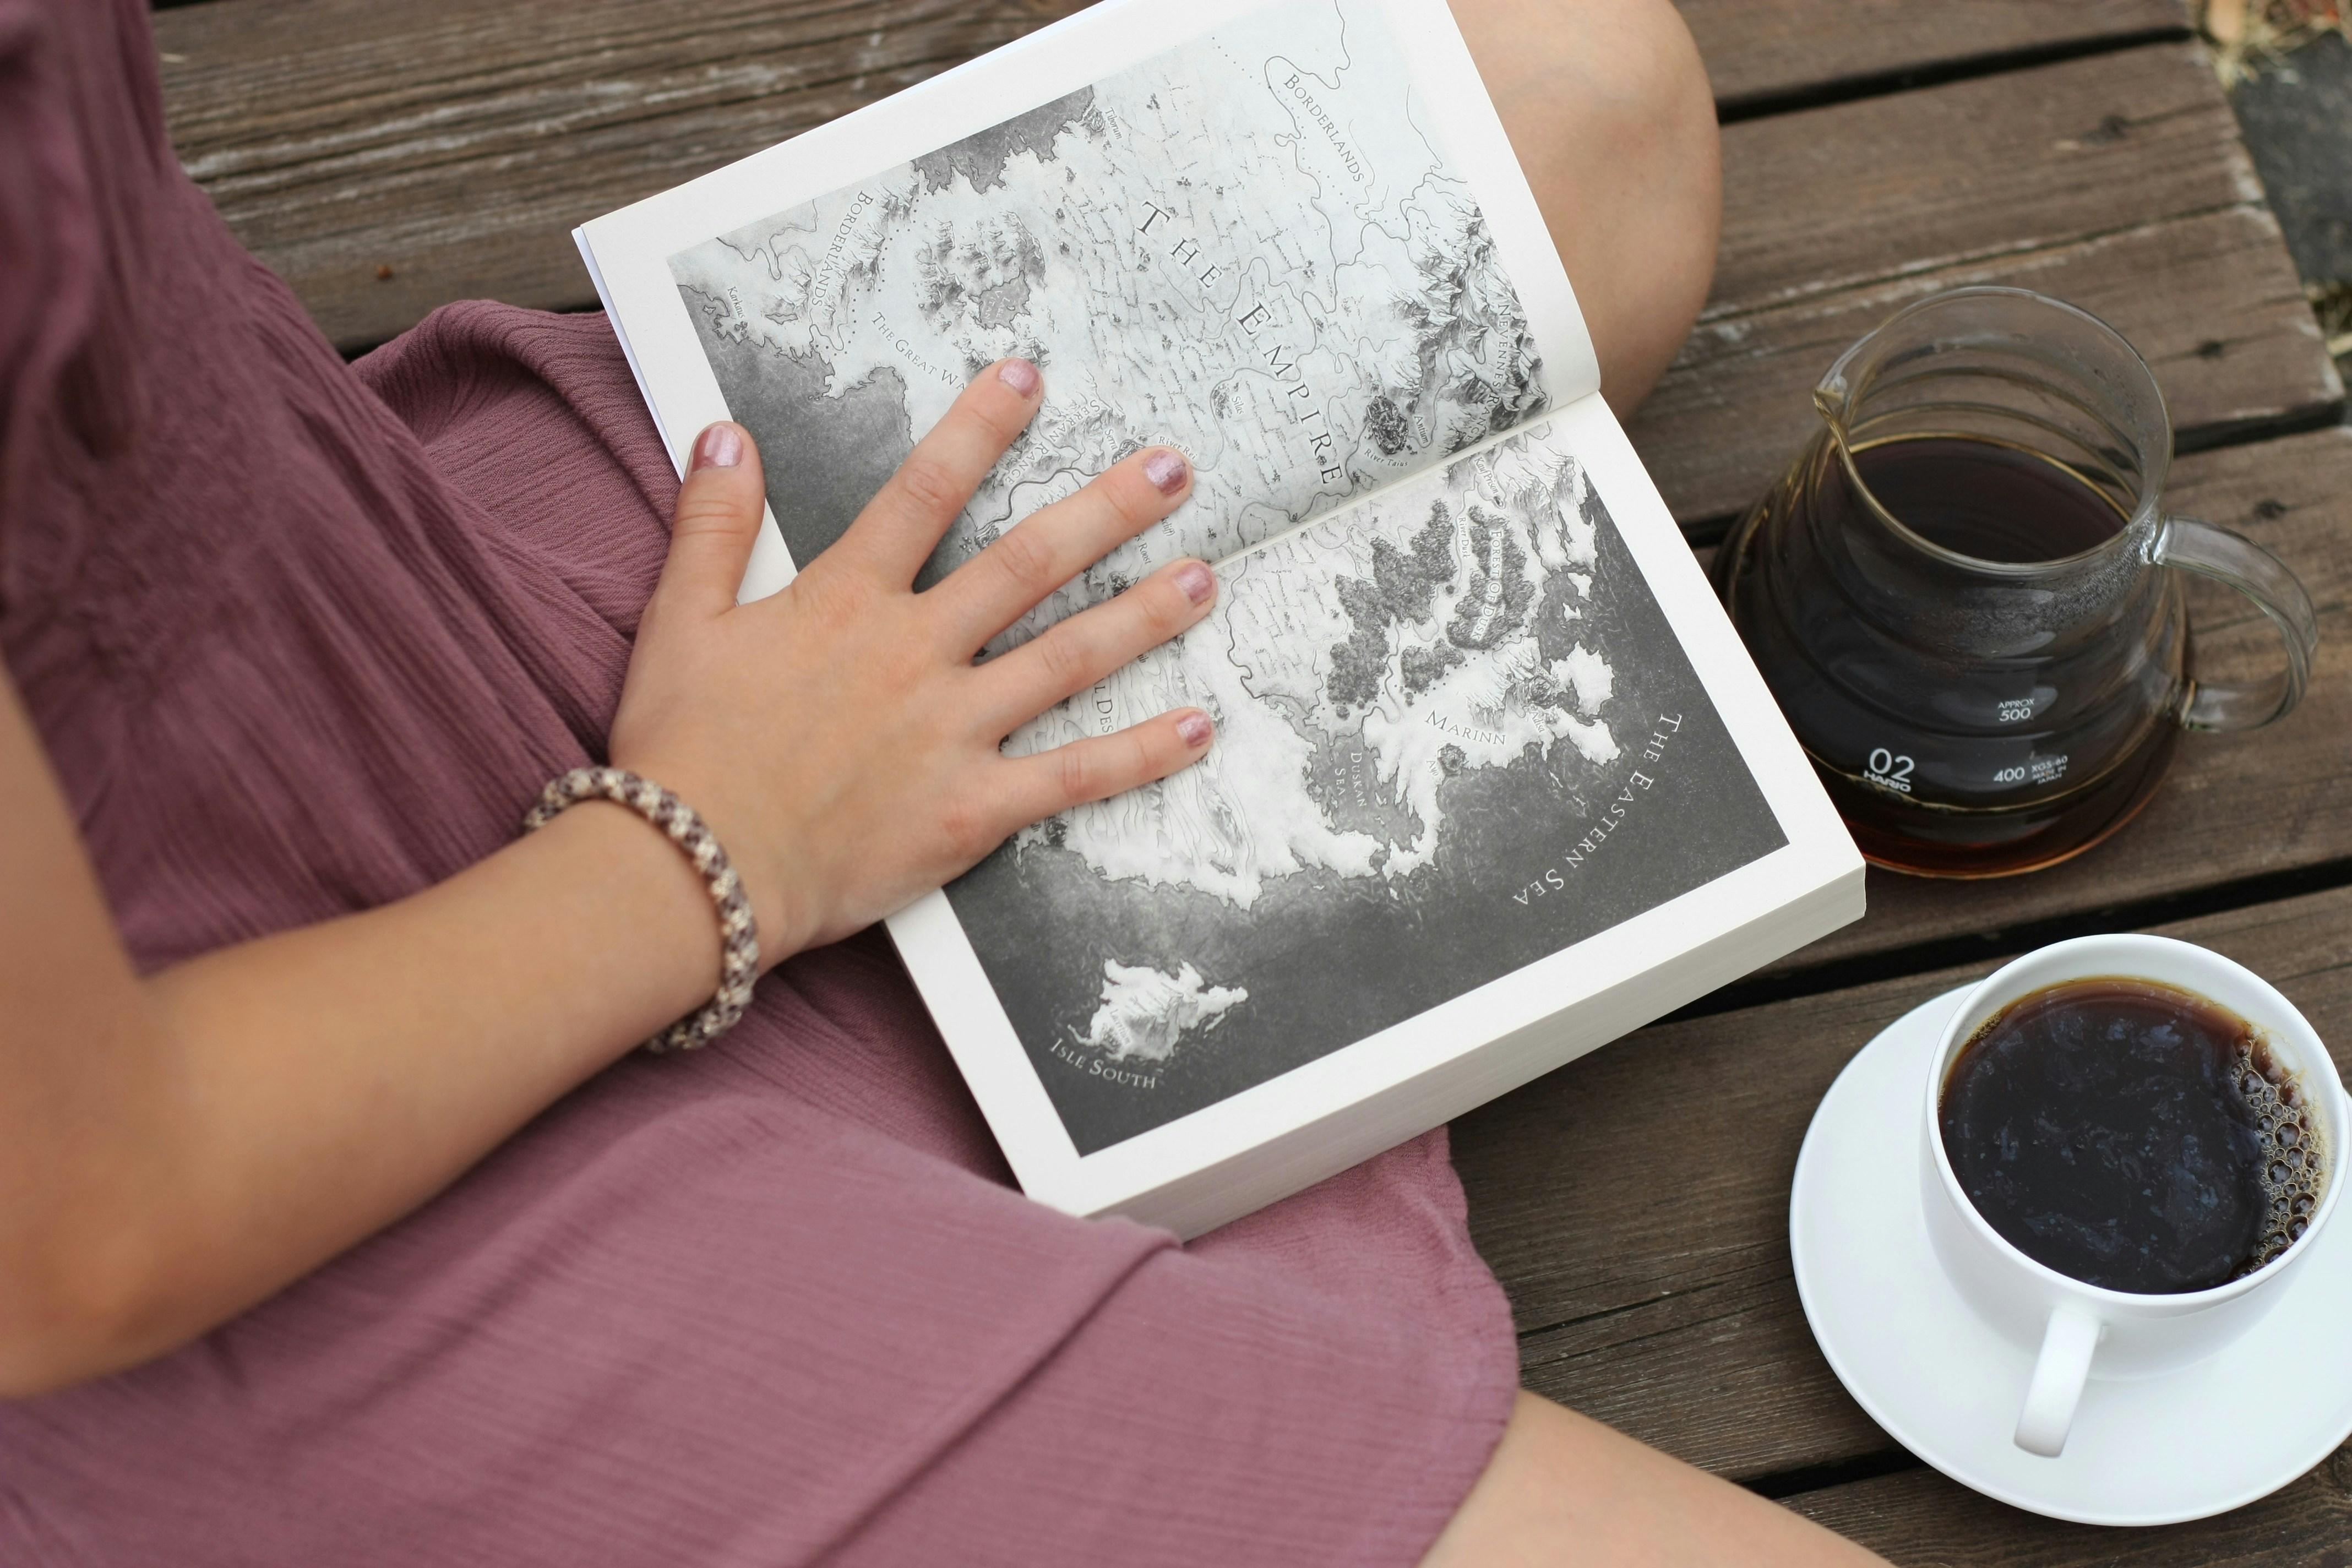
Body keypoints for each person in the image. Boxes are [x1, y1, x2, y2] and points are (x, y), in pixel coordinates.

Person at [0, 0, 1886, 1561]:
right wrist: (720, 842)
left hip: (336, 624)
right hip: (215, 1249)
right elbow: (74, 1216)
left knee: (1578, 107)